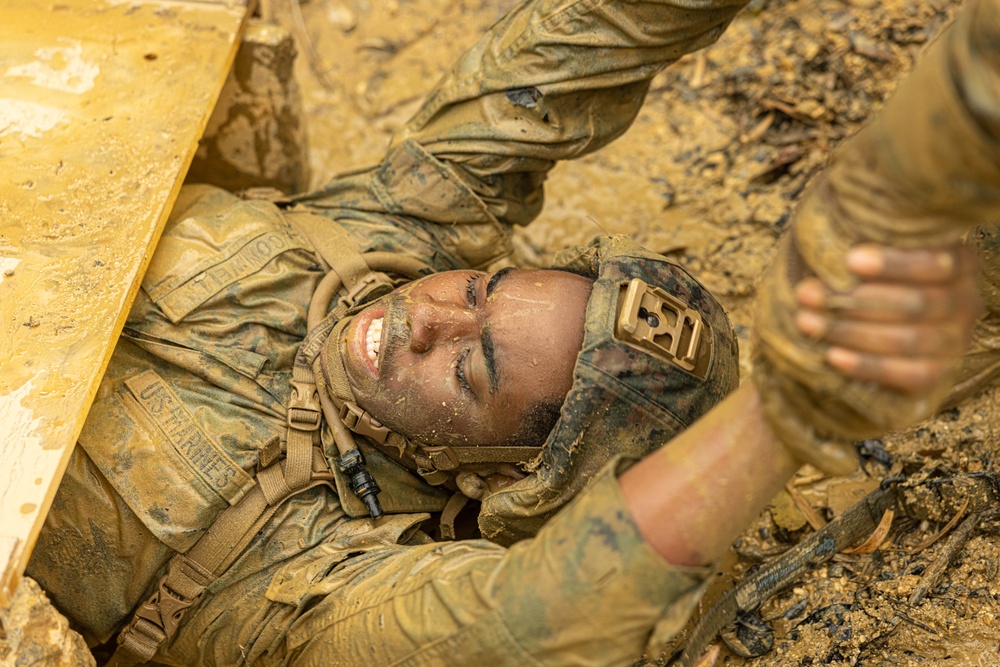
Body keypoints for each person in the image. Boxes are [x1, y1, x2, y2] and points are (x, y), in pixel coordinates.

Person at [21, 1, 985, 666]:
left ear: (494, 476)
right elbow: (582, 45)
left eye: (471, 370)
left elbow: (527, 619)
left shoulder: (310, 576)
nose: (426, 316)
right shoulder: (385, 242)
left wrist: (783, 421)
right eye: (481, 289)